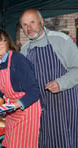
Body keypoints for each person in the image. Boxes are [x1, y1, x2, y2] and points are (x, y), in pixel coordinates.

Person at [20, 9, 78, 148]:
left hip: (65, 105)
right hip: (41, 109)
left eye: (32, 22)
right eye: (25, 25)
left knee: (66, 142)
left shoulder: (61, 40)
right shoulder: (24, 49)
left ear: (41, 22)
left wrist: (60, 83)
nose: (29, 28)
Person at [0, 29, 41, 148]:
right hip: (11, 111)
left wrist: (14, 105)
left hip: (27, 110)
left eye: (0, 42)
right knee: (12, 143)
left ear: (8, 42)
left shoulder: (18, 60)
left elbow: (35, 91)